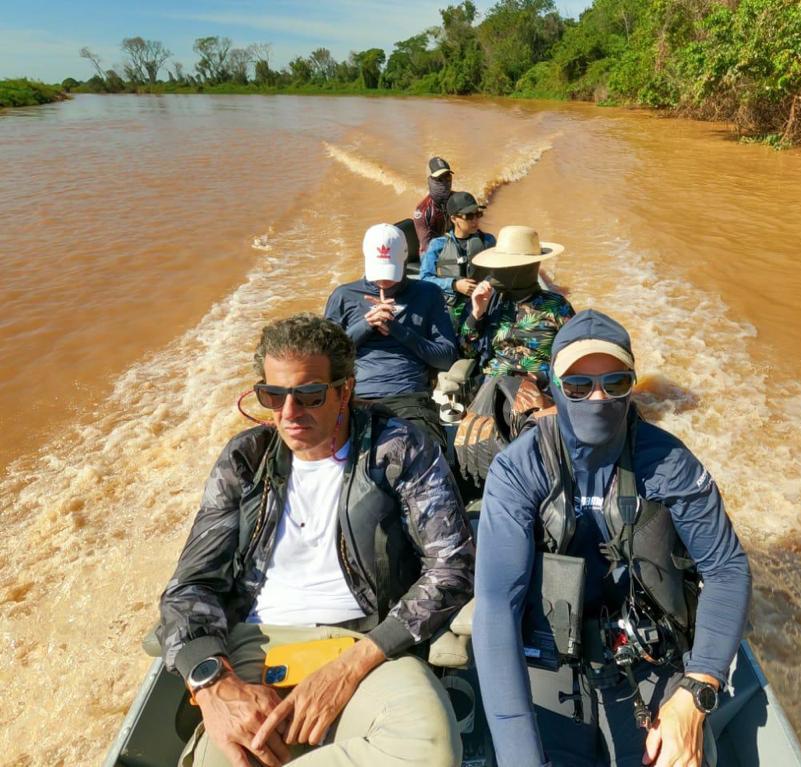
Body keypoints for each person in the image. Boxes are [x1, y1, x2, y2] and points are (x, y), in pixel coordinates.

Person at [158, 313, 474, 767]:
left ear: (345, 390)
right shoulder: (246, 459)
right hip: (254, 647)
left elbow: (453, 565)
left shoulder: (398, 449)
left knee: (430, 750)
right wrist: (213, 686)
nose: (288, 414)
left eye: (308, 395)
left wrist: (353, 665)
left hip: (367, 646)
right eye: (273, 395)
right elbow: (190, 586)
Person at [472, 309, 752, 767]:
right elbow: (496, 605)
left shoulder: (669, 462)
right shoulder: (520, 469)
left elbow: (726, 568)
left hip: (645, 651)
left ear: (632, 386)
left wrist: (696, 690)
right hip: (549, 654)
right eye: (578, 386)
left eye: (615, 383)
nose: (597, 398)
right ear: (554, 387)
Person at [324, 223, 457, 446]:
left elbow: (446, 358)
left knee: (421, 453)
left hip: (409, 398)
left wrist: (399, 330)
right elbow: (324, 358)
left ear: (404, 258)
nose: (384, 281)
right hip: (354, 397)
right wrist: (366, 325)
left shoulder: (427, 293)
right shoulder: (343, 296)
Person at [459, 225, 575, 381]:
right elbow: (467, 352)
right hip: (495, 384)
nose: (494, 272)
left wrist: (540, 378)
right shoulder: (492, 302)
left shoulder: (556, 306)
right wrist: (476, 314)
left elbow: (573, 359)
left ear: (521, 269)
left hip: (539, 386)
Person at [420, 191, 496, 326]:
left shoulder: (488, 241)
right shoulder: (438, 245)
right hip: (450, 308)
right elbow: (425, 278)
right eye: (469, 216)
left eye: (477, 214)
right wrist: (454, 285)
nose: (475, 220)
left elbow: (499, 272)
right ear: (454, 219)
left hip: (484, 304)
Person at [413, 156, 453, 256]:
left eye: (447, 176)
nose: (445, 181)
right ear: (430, 180)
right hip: (431, 254)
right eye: (440, 178)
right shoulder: (423, 211)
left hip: (454, 246)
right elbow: (426, 248)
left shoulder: (457, 200)